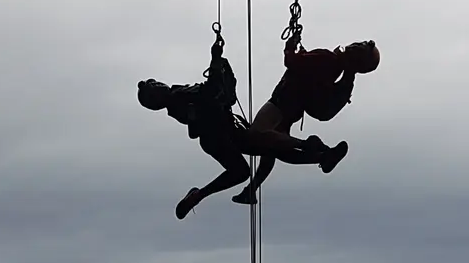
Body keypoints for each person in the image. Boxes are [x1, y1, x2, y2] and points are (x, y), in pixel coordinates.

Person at [139, 32, 341, 219]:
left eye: (154, 83)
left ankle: (319, 154)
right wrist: (216, 59)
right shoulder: (178, 98)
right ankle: (312, 149)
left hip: (223, 133)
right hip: (221, 135)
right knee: (262, 151)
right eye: (152, 89)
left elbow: (211, 94)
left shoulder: (177, 98)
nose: (157, 86)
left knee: (266, 151)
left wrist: (218, 65)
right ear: (155, 102)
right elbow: (210, 92)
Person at [230, 36, 378, 205]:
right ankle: (320, 157)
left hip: (282, 101)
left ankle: (307, 145)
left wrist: (289, 48)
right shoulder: (338, 71)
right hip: (294, 107)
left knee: (257, 135)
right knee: (272, 148)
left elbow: (292, 62)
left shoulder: (328, 59)